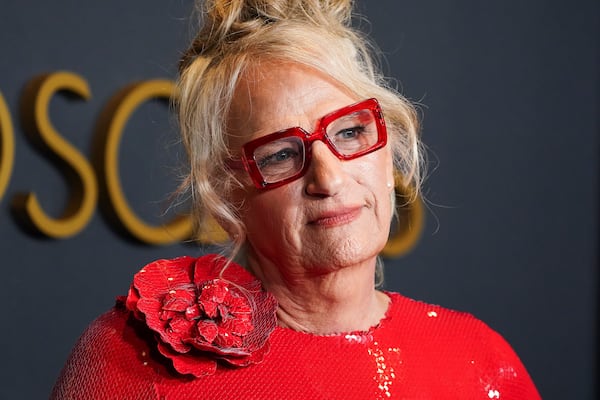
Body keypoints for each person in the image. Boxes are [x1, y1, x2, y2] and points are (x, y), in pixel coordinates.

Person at [51, 0, 541, 399]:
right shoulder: (131, 363)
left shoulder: (477, 355)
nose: (327, 178)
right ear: (226, 192)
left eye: (350, 131)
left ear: (389, 147)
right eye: (282, 155)